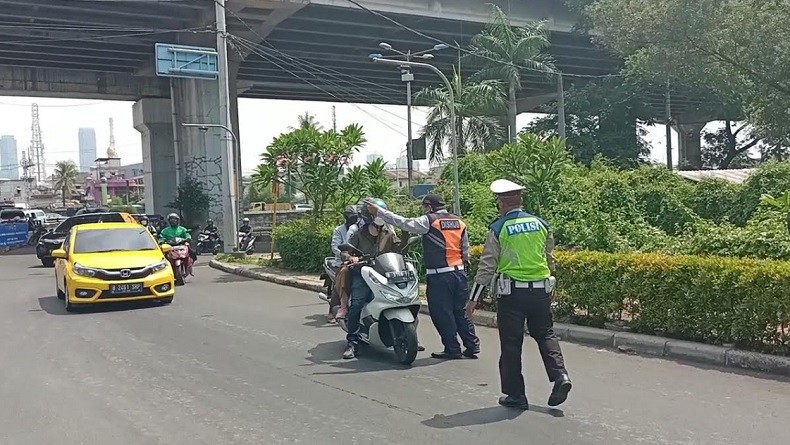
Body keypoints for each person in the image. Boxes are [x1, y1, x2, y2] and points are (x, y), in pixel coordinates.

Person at [467, 179, 572, 410]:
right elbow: (548, 258)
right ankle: (560, 376)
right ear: (521, 200)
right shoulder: (541, 224)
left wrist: (473, 298)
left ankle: (516, 395)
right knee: (545, 333)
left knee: (512, 344)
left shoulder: (499, 228)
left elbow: (487, 266)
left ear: (501, 203)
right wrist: (550, 285)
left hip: (512, 295)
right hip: (541, 290)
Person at [367, 194, 480, 359]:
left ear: (429, 207)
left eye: (424, 208)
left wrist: (380, 212)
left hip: (440, 275)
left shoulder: (430, 220)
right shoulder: (459, 222)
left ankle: (452, 348)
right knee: (460, 311)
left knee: (442, 313)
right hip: (459, 273)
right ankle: (472, 345)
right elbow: (465, 249)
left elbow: (404, 223)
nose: (423, 210)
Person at [341, 198, 401, 360]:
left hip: (384, 274)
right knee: (357, 304)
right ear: (369, 217)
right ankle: (352, 342)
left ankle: (406, 334)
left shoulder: (389, 233)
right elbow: (345, 251)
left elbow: (399, 248)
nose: (380, 217)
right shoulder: (358, 234)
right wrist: (351, 258)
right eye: (376, 214)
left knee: (402, 299)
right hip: (363, 274)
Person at [327, 206, 358, 323]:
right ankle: (332, 311)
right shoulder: (339, 230)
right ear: (346, 217)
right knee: (340, 282)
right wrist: (344, 255)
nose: (354, 219)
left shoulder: (359, 229)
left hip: (356, 261)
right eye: (352, 217)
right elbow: (335, 247)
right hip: (341, 262)